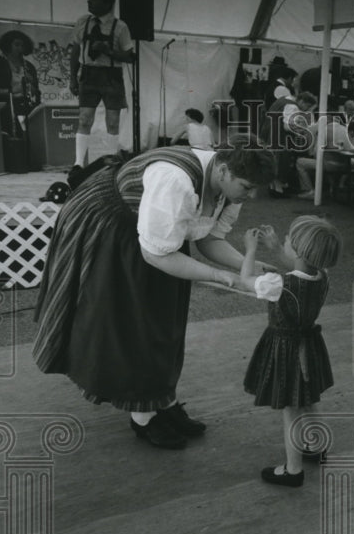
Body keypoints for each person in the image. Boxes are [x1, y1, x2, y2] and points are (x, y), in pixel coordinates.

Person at [33, 137, 277, 449]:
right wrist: (225, 278)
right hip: (112, 225)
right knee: (134, 324)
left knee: (166, 321)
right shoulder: (175, 181)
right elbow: (156, 255)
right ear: (224, 170)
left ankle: (163, 401)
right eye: (246, 187)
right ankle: (143, 416)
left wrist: (247, 266)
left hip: (156, 236)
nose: (251, 195)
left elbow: (208, 240)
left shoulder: (228, 186)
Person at [240, 216, 342, 487]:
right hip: (308, 346)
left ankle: (293, 469)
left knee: (291, 410)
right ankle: (318, 445)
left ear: (298, 250)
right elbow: (299, 267)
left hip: (285, 349)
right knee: (308, 399)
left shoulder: (277, 284)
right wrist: (276, 248)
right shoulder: (321, 275)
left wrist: (251, 249)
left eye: (286, 239)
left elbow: (246, 278)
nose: (282, 240)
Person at [69, 0, 135, 167]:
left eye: (94, 0)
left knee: (112, 122)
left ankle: (111, 162)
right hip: (88, 74)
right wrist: (72, 77)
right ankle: (78, 164)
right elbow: (75, 51)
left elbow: (130, 57)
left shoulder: (120, 27)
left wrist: (109, 51)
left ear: (107, 3)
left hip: (111, 75)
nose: (89, 3)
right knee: (84, 118)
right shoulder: (82, 22)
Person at [0, 30, 41, 135]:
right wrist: (12, 91)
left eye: (22, 45)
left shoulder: (29, 66)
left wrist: (32, 87)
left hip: (27, 109)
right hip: (6, 110)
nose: (20, 48)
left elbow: (36, 92)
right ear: (7, 45)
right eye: (17, 45)